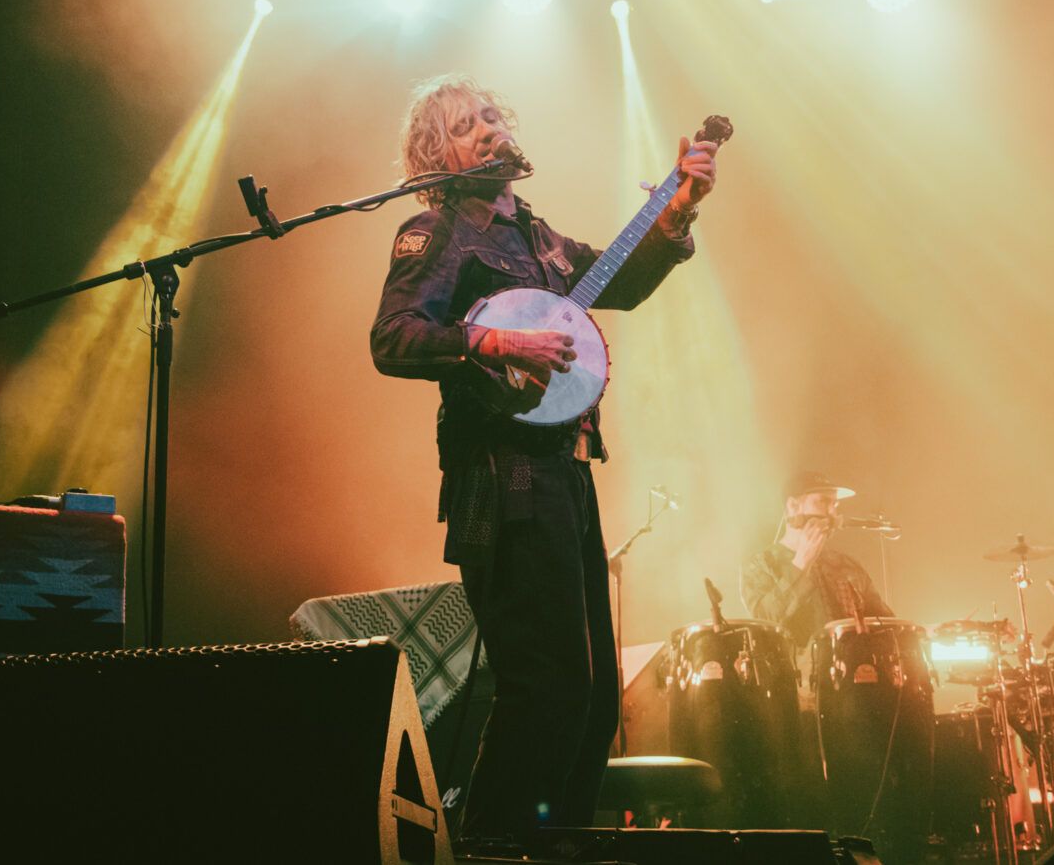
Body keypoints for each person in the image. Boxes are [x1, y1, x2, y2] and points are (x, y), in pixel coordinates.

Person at [370, 74, 717, 840]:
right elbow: (393, 337)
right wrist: (494, 339)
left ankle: (554, 846)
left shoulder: (539, 237)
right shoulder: (435, 231)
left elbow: (622, 281)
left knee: (592, 702)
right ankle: (497, 845)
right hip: (502, 478)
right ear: (436, 154)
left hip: (566, 471)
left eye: (492, 115)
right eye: (467, 125)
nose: (489, 129)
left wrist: (677, 210)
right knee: (546, 687)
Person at [739, 471, 893, 649]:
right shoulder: (761, 564)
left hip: (855, 664)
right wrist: (801, 563)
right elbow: (765, 621)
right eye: (823, 502)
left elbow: (886, 625)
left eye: (835, 504)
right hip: (797, 666)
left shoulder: (847, 565)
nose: (833, 512)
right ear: (793, 506)